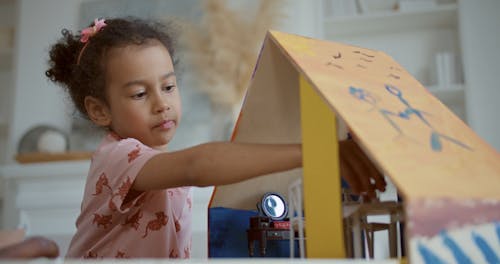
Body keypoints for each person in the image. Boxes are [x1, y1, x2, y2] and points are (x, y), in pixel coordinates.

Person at [46, 17, 385, 259]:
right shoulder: (118, 156)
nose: (162, 103)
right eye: (139, 94)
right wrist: (315, 152)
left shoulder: (155, 161)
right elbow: (199, 164)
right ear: (100, 111)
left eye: (168, 86)